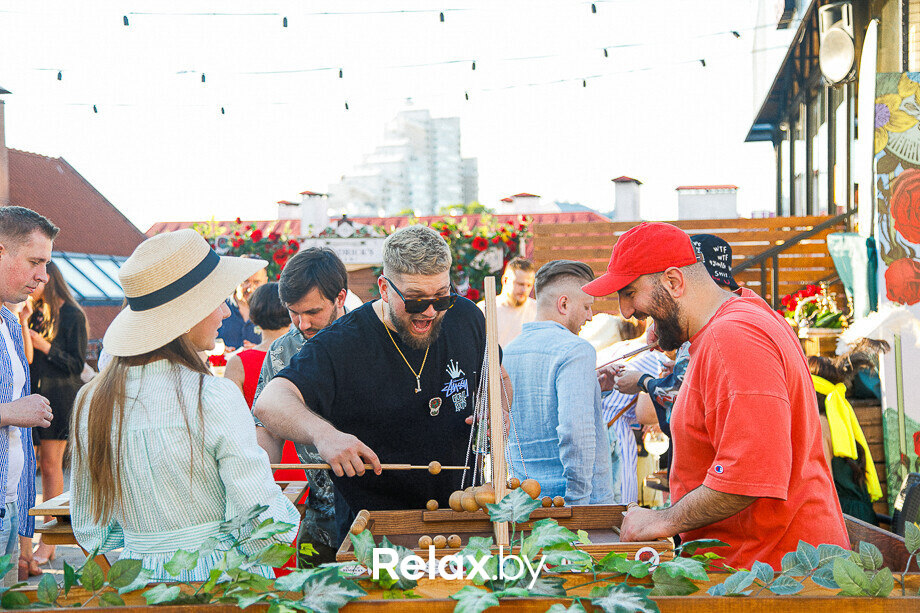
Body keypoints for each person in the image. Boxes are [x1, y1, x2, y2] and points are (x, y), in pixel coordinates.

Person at [583, 221, 848, 569]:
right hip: (764, 563)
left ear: (674, 282)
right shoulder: (734, 321)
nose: (625, 311)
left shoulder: (732, 338)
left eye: (630, 292)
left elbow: (748, 476)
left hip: (773, 573)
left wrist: (663, 520)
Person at [255, 225, 511, 539]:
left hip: (463, 523)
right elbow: (270, 402)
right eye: (415, 300)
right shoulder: (341, 343)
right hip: (375, 534)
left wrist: (496, 409)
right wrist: (323, 435)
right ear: (385, 288)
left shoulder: (468, 317)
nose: (429, 312)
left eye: (441, 298)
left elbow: (497, 373)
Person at [70, 229, 298, 581]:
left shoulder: (91, 400)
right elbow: (264, 527)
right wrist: (291, 509)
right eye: (215, 299)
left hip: (138, 586)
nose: (225, 311)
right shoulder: (213, 395)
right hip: (223, 586)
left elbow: (90, 531)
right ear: (186, 313)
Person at [252, 247, 350, 563]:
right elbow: (266, 430)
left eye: (313, 312)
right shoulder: (281, 352)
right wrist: (258, 486)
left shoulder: (373, 339)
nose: (302, 323)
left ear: (340, 298)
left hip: (380, 516)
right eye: (294, 312)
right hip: (318, 517)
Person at [503, 260, 614, 504]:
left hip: (521, 502)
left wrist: (596, 390)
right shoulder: (576, 350)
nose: (590, 316)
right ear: (563, 304)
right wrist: (578, 501)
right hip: (572, 506)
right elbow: (575, 432)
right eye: (587, 306)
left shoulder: (508, 353)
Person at [0, 206, 58, 584]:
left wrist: (23, 532)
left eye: (46, 263)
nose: (43, 276)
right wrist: (7, 412)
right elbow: (13, 415)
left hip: (8, 511)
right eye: (35, 261)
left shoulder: (9, 319)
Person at [25, 261, 89, 566]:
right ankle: (29, 539)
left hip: (60, 397)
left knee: (51, 466)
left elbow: (77, 365)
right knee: (30, 465)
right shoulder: (32, 313)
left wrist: (45, 346)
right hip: (33, 395)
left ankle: (49, 542)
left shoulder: (74, 315)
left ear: (49, 281)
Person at [808, 342, 888, 525]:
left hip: (847, 520)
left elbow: (822, 483)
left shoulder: (821, 423)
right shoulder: (839, 415)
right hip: (862, 515)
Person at [225, 283, 290, 408]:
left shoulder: (237, 363)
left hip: (251, 426)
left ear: (253, 315)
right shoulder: (306, 356)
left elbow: (231, 412)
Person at [477, 257, 536, 347]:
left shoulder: (537, 310)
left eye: (529, 285)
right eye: (520, 284)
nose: (524, 289)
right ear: (505, 280)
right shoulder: (485, 309)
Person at [217, 256, 268, 352]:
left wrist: (261, 351)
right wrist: (217, 350)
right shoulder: (218, 308)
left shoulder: (273, 311)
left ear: (265, 281)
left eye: (256, 282)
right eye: (246, 281)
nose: (250, 288)